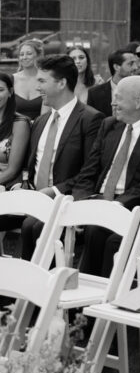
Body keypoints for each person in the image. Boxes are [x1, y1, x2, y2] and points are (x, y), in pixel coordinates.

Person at [74, 75, 140, 274]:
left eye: (118, 98)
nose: (113, 102)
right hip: (97, 200)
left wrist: (116, 205)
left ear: (138, 102)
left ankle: (98, 294)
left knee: (96, 230)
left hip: (131, 205)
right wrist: (80, 203)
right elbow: (89, 171)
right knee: (39, 225)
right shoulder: (109, 125)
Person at [15, 55, 103, 259]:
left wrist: (53, 191)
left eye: (42, 81)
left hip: (65, 201)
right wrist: (22, 184)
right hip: (31, 198)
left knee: (33, 226)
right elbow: (30, 164)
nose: (37, 88)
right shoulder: (41, 121)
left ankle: (39, 285)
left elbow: (90, 171)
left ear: (62, 83)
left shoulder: (90, 119)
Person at [87, 47, 140, 117]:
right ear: (116, 67)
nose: (135, 67)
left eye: (135, 63)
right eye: (131, 64)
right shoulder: (95, 94)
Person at [0, 71, 30, 188]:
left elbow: (12, 171)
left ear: (10, 92)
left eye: (0, 90)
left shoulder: (20, 123)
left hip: (7, 185)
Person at [12, 38, 45, 119]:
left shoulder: (45, 78)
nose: (24, 57)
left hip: (41, 127)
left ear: (38, 55)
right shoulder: (12, 79)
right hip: (15, 128)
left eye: (29, 54)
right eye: (21, 54)